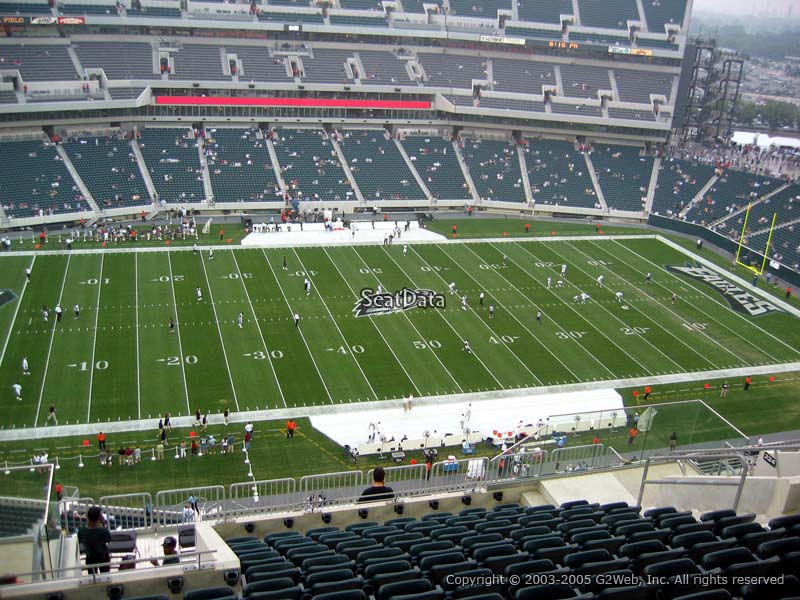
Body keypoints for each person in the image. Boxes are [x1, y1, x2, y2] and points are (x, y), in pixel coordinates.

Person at [78, 506, 111, 574]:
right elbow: (108, 539)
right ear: (99, 517)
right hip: (103, 557)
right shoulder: (103, 531)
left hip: (90, 558)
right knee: (105, 576)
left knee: (92, 578)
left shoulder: (81, 531)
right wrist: (104, 525)